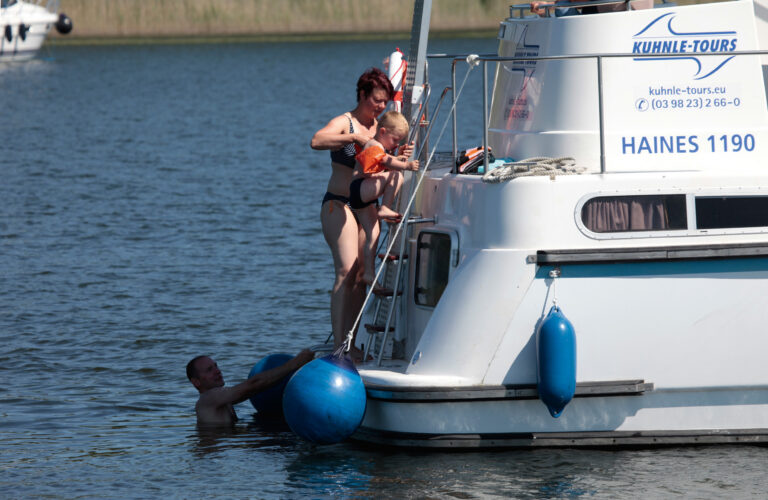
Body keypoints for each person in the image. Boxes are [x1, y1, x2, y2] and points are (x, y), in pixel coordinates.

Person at [310, 68, 412, 359]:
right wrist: (352, 139)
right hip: (338, 204)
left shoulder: (382, 126)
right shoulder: (346, 122)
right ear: (363, 95)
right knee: (345, 270)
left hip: (364, 208)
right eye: (377, 101)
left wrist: (398, 154)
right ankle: (338, 347)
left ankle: (350, 344)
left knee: (358, 275)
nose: (381, 106)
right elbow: (316, 141)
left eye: (385, 102)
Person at [350, 111, 419, 285]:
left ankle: (369, 273)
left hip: (360, 196)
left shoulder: (379, 148)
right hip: (360, 189)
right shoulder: (374, 144)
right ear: (382, 132)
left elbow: (383, 163)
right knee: (397, 176)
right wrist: (406, 164)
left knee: (374, 234)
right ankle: (384, 208)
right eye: (395, 140)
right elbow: (386, 160)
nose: (396, 144)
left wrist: (398, 157)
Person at [186, 349, 314, 427]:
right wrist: (294, 364)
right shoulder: (208, 399)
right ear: (196, 382)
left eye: (216, 366)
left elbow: (255, 389)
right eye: (209, 370)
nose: (217, 371)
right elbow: (253, 385)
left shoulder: (222, 399)